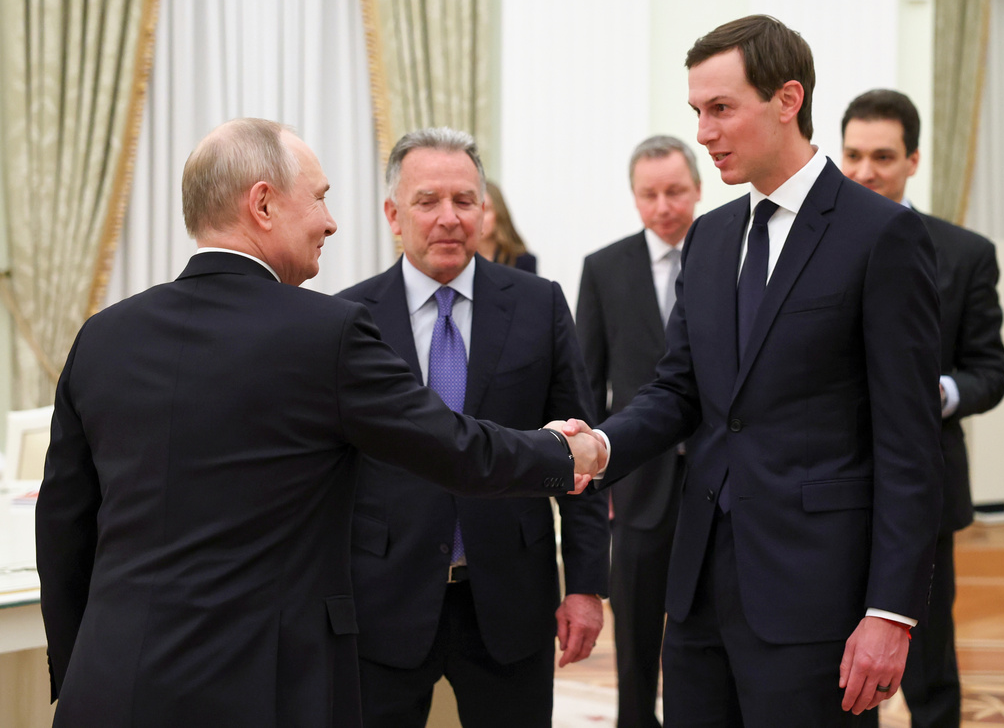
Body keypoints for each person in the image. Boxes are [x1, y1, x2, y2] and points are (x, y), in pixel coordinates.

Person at [35, 118, 605, 728]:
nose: (330, 221)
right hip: (265, 683)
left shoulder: (101, 337)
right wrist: (566, 453)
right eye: (320, 197)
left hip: (111, 681)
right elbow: (453, 447)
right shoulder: (324, 332)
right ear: (262, 204)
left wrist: (80, 671)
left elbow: (63, 526)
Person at [563, 15, 943, 727]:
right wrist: (599, 447)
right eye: (696, 113)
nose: (703, 132)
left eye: (720, 109)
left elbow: (910, 444)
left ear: (788, 99)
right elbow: (679, 389)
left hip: (817, 598)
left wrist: (891, 612)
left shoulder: (881, 234)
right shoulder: (709, 237)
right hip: (701, 590)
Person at [336, 127, 609, 728]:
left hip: (511, 596)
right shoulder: (348, 320)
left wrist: (587, 586)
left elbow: (582, 450)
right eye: (427, 201)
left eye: (464, 200)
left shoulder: (540, 305)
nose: (448, 217)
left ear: (484, 212)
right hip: (384, 598)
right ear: (394, 214)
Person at [841, 89, 1004, 728]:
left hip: (927, 488)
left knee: (929, 657)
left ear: (913, 159)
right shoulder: (812, 245)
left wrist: (936, 393)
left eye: (882, 156)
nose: (865, 171)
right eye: (853, 154)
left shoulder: (965, 254)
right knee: (842, 664)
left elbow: (990, 374)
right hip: (831, 484)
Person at [576, 134, 701, 728]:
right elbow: (586, 385)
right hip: (636, 488)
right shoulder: (604, 269)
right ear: (634, 198)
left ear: (697, 189)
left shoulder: (726, 253)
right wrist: (595, 486)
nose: (663, 206)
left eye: (675, 191)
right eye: (649, 194)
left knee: (704, 640)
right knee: (635, 637)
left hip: (712, 480)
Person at [479, 180, 537, 272]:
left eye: (486, 210)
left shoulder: (522, 261)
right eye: (474, 209)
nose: (479, 217)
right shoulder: (460, 260)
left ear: (499, 213)